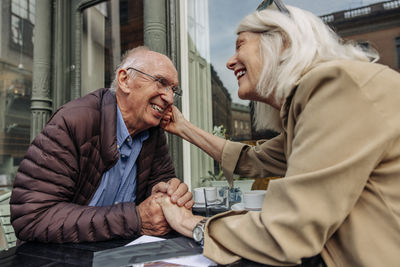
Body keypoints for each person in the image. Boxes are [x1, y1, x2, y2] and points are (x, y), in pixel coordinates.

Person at [158, 1, 400, 266]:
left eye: (240, 45)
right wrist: (182, 127)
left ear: (282, 42)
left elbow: (288, 231)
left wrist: (192, 223)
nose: (229, 62)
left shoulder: (335, 84)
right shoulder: (317, 100)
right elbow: (251, 160)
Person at [10, 46, 194, 243]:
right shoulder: (74, 121)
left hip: (121, 252)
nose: (169, 98)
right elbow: (31, 218)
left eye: (173, 89)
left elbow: (161, 185)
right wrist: (134, 218)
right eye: (161, 82)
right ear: (124, 80)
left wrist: (169, 194)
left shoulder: (153, 132)